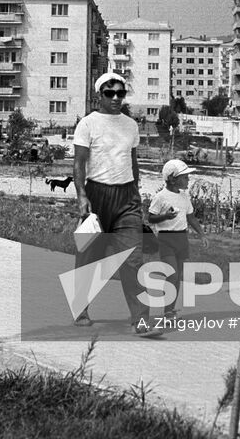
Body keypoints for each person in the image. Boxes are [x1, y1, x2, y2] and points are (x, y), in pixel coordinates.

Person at [72, 71, 163, 338]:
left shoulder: (130, 125)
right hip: (97, 196)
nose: (115, 98)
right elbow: (79, 163)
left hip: (126, 199)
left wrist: (136, 195)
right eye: (109, 93)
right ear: (99, 95)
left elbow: (133, 162)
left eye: (120, 94)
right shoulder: (87, 124)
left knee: (132, 259)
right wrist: (81, 195)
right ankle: (81, 308)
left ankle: (140, 319)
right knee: (89, 256)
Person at [147, 158, 208, 315]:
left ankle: (170, 309)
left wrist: (201, 234)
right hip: (166, 239)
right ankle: (167, 310)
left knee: (177, 275)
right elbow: (151, 218)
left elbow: (191, 217)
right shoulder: (161, 197)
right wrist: (166, 217)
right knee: (172, 274)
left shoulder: (184, 196)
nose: (188, 180)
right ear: (173, 179)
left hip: (181, 239)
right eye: (185, 177)